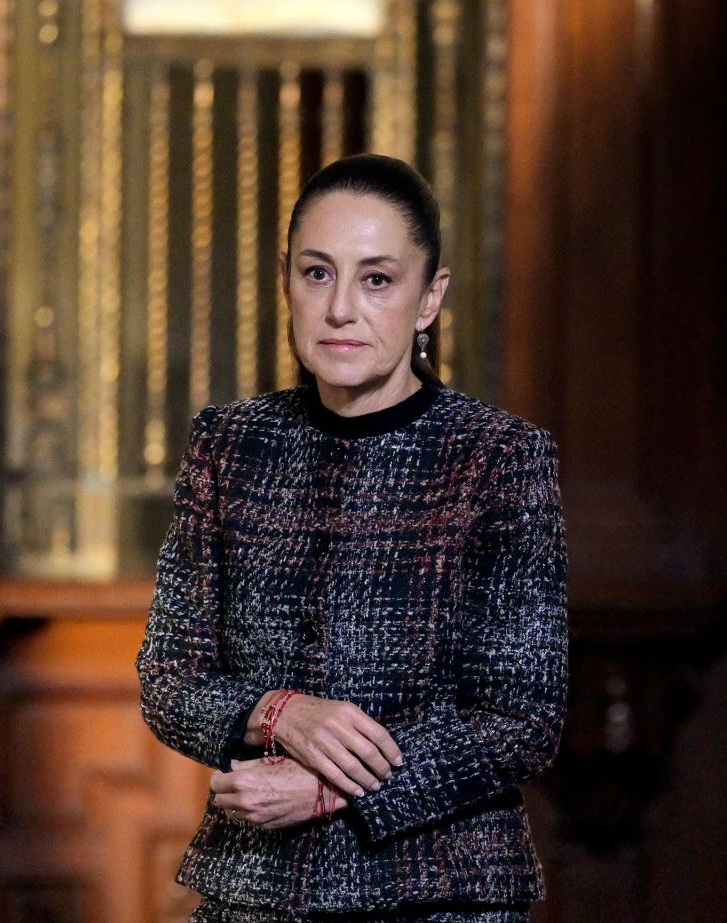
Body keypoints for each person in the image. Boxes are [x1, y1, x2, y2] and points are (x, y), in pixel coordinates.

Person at [136, 153, 568, 923]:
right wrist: (281, 712)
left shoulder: (498, 457)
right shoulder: (230, 445)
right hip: (254, 893)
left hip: (439, 894)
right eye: (316, 273)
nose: (340, 309)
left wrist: (331, 786)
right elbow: (170, 679)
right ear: (286, 282)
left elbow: (520, 720)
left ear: (429, 296)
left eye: (377, 279)